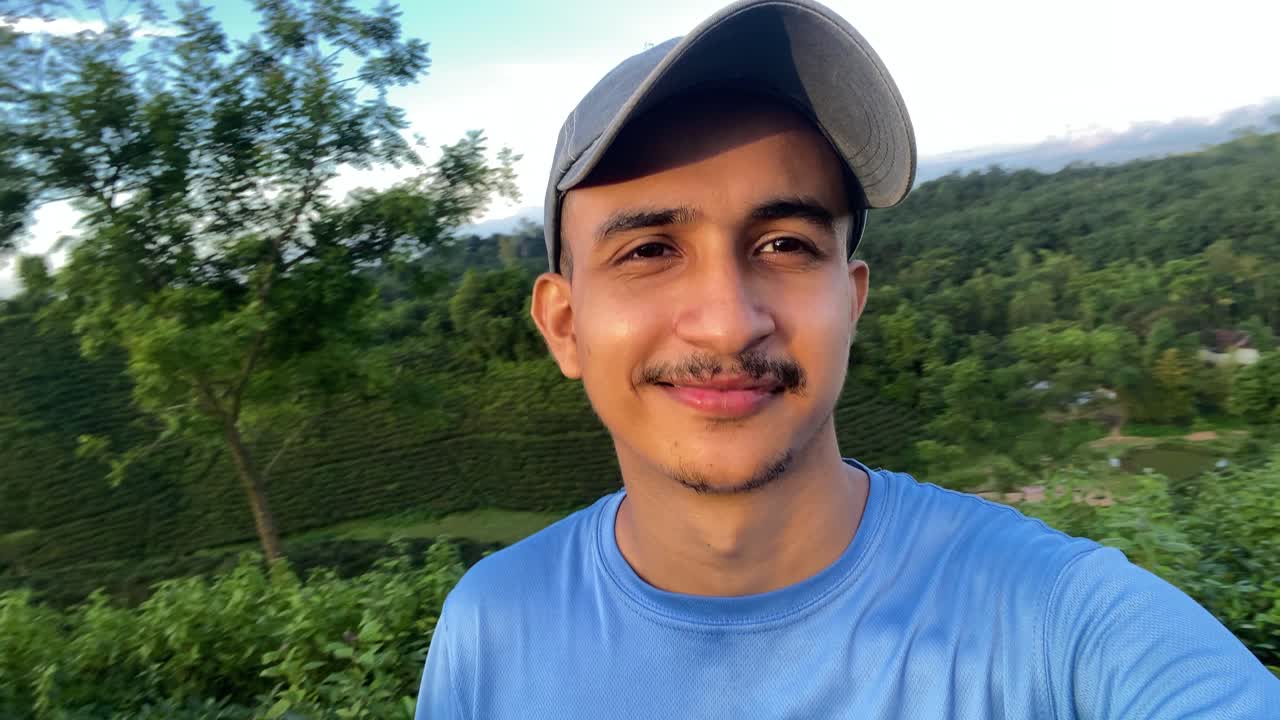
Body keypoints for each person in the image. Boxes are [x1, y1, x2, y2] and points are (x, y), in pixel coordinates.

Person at [415, 1, 1280, 717]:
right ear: (563, 325)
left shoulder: (1063, 628)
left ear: (852, 302)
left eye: (785, 243)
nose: (726, 324)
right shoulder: (491, 629)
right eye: (647, 250)